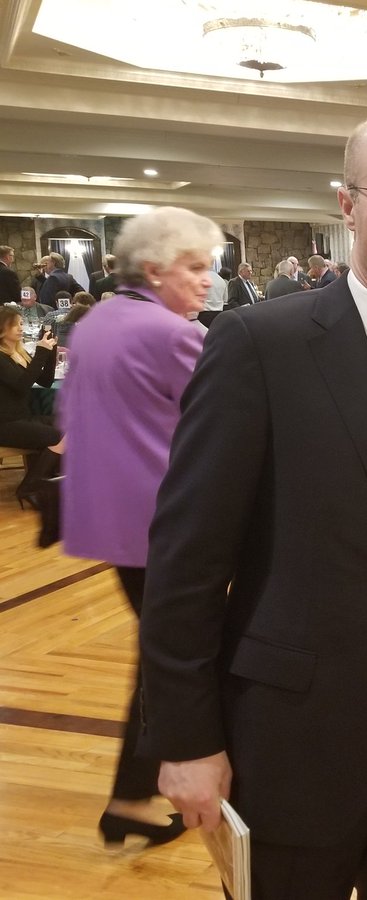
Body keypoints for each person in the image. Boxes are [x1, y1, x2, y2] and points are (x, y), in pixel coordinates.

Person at [138, 109, 367, 900]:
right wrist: (187, 739)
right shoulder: (256, 345)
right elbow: (185, 561)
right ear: (347, 205)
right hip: (289, 749)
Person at [59, 206, 220, 848]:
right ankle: (140, 793)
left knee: (163, 655)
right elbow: (229, 419)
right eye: (194, 267)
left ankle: (131, 796)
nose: (207, 280)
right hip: (166, 525)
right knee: (176, 658)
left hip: (110, 521)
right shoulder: (171, 333)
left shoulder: (97, 321)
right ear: (154, 270)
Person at [0, 306, 62, 506]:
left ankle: (47, 482)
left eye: (20, 323)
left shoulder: (18, 354)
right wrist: (41, 353)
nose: (20, 328)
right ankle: (31, 487)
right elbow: (21, 385)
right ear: (2, 329)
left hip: (22, 417)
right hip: (6, 423)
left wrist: (50, 352)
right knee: (57, 436)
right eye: (15, 325)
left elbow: (45, 381)